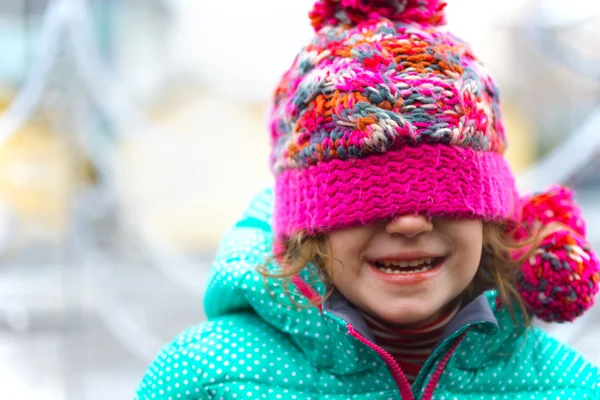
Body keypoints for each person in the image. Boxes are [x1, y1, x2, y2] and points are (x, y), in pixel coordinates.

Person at [135, 1, 600, 398]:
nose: (410, 223)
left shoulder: (561, 383)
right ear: (308, 224)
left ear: (490, 214)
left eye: (445, 188)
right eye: (366, 195)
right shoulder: (210, 379)